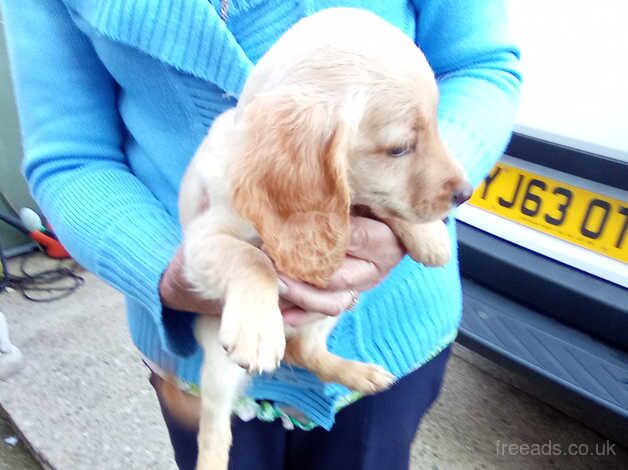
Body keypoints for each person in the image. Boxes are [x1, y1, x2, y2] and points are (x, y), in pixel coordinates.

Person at [1, 1, 521, 469]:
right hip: (197, 341)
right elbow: (71, 157)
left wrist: (406, 211)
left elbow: (479, 64)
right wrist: (167, 270)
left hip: (391, 329)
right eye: (401, 146)